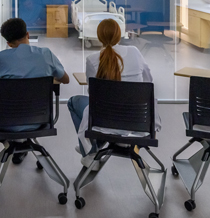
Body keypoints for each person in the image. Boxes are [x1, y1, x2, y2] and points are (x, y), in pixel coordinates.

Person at [0, 18, 70, 167]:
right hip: (39, 119)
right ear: (27, 34)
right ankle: (21, 146)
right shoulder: (46, 54)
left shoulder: (3, 57)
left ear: (8, 43)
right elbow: (65, 79)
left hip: (7, 120)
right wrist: (45, 78)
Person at [67, 19, 159, 168]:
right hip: (138, 120)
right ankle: (96, 145)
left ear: (99, 36)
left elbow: (93, 94)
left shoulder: (92, 60)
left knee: (74, 101)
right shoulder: (135, 53)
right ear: (119, 34)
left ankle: (90, 151)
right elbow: (148, 82)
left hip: (106, 121)